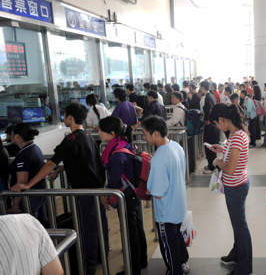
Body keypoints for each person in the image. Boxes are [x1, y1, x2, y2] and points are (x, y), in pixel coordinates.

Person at [11, 103, 108, 275]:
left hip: (84, 193)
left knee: (87, 230)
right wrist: (63, 169)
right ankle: (101, 257)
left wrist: (28, 184)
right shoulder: (88, 136)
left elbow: (50, 163)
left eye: (65, 115)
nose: (63, 118)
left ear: (70, 118)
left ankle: (89, 268)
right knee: (97, 225)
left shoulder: (71, 139)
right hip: (96, 189)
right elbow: (85, 160)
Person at [98, 116, 148, 275]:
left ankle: (133, 268)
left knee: (130, 231)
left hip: (126, 196)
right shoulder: (123, 144)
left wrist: (106, 195)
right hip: (133, 192)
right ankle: (141, 260)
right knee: (137, 227)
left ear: (112, 133)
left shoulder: (116, 153)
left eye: (101, 130)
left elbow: (114, 180)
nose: (98, 133)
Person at [142, 116, 190, 275]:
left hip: (166, 212)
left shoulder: (158, 159)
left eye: (145, 134)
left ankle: (175, 270)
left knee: (168, 244)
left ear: (155, 134)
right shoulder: (176, 146)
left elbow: (158, 194)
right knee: (177, 237)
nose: (144, 137)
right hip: (178, 204)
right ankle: (183, 262)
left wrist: (150, 189)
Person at [209, 104, 252, 275]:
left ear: (222, 120)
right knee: (237, 224)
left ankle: (245, 266)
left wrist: (217, 161)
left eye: (217, 124)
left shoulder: (237, 137)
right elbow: (235, 154)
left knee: (240, 226)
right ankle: (237, 252)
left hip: (236, 186)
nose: (218, 127)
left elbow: (230, 168)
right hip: (235, 185)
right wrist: (222, 149)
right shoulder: (236, 134)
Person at [8, 123, 48, 226]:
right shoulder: (34, 148)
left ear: (17, 136)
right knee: (41, 224)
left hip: (29, 199)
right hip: (39, 193)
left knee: (30, 227)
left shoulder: (24, 155)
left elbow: (21, 183)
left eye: (12, 134)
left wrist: (15, 205)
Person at [200, 80, 219, 174]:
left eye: (201, 88)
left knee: (209, 145)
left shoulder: (207, 98)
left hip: (209, 125)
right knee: (211, 145)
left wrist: (207, 120)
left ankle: (212, 167)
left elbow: (208, 111)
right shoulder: (211, 96)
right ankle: (211, 164)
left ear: (203, 88)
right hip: (213, 125)